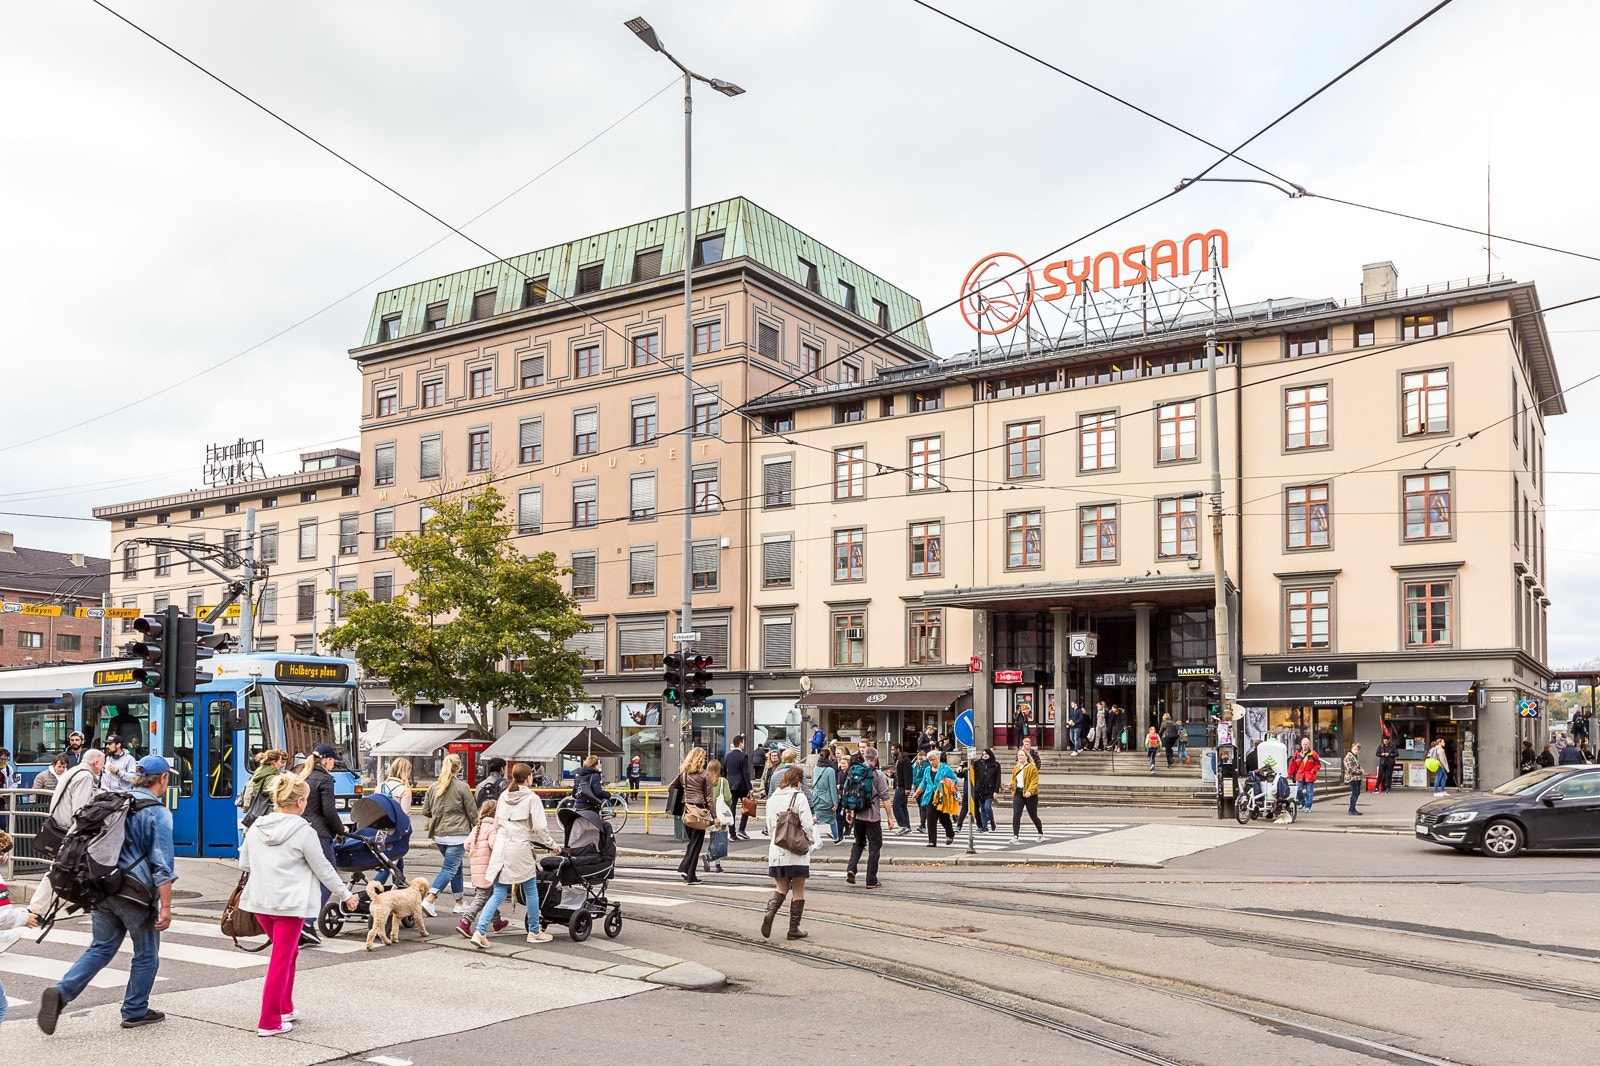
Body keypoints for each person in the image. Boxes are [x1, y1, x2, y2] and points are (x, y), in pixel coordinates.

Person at [34, 755, 176, 1035]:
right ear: (162, 779)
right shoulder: (157, 812)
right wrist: (167, 906)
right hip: (134, 894)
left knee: (100, 947)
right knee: (146, 952)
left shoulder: (115, 800)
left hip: (100, 886)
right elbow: (162, 864)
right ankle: (135, 1011)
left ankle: (61, 993)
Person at [239, 772, 358, 1037]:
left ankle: (285, 1007)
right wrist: (346, 895)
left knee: (288, 954)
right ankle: (269, 1021)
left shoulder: (257, 826)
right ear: (301, 801)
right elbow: (324, 869)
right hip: (290, 906)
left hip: (260, 903)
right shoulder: (304, 831)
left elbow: (243, 864)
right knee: (280, 961)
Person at [471, 762, 559, 948]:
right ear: (528, 778)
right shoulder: (532, 799)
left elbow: (496, 824)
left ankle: (479, 931)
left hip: (502, 846)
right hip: (520, 848)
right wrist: (552, 845)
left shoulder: (503, 796)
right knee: (531, 890)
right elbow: (541, 828)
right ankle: (534, 931)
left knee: (498, 893)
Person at [760, 766, 819, 941]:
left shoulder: (772, 800)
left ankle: (770, 913)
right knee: (798, 890)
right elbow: (807, 825)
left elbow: (770, 827)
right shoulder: (799, 797)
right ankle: (793, 929)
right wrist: (810, 840)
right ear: (798, 781)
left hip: (777, 850)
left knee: (781, 887)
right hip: (797, 851)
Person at [420, 752, 478, 918]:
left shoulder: (433, 787)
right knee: (450, 868)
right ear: (458, 768)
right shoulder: (462, 787)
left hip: (439, 835)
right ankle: (430, 899)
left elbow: (426, 811)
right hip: (458, 835)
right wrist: (477, 830)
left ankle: (459, 902)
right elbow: (472, 812)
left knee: (455, 867)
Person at [297, 745, 344, 944]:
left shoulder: (302, 775)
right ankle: (307, 923)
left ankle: (298, 922)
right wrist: (341, 830)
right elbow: (329, 811)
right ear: (326, 760)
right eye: (333, 761)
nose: (333, 765)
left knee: (307, 878)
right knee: (328, 876)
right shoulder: (324, 779)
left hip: (301, 831)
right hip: (320, 834)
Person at [457, 798, 509, 938]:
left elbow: (467, 845)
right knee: (482, 897)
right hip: (488, 869)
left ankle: (497, 922)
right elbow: (494, 845)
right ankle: (465, 922)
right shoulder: (493, 828)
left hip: (477, 869)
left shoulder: (476, 828)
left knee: (489, 896)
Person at [844, 747, 891, 889]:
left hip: (858, 814)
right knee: (875, 846)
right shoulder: (878, 775)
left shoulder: (854, 771)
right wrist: (890, 818)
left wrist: (848, 811)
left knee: (858, 843)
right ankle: (871, 880)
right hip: (873, 817)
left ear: (865, 757)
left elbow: (848, 792)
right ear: (876, 759)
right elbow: (886, 798)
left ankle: (851, 868)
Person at [675, 747, 711, 885]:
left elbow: (671, 788)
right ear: (701, 759)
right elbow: (709, 798)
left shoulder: (683, 774)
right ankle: (691, 876)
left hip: (686, 810)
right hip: (699, 811)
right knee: (696, 844)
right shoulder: (704, 775)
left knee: (692, 842)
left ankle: (685, 868)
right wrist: (714, 816)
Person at [921, 750, 957, 848]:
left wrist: (946, 782)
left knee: (943, 818)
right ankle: (932, 841)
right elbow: (923, 783)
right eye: (930, 760)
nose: (932, 762)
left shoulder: (946, 769)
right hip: (930, 797)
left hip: (942, 797)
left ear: (938, 758)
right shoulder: (927, 770)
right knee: (930, 818)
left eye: (933, 759)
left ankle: (950, 833)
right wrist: (916, 793)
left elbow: (955, 780)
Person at [703, 758, 731, 875]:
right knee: (720, 840)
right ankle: (714, 862)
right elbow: (728, 797)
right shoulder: (723, 781)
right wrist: (727, 807)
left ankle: (714, 861)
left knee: (714, 838)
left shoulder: (705, 781)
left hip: (709, 814)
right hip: (720, 815)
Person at [1010, 746, 1044, 842]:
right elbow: (1013, 779)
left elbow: (1034, 781)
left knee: (1033, 815)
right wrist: (1011, 785)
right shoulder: (1016, 768)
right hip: (1018, 792)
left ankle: (1040, 833)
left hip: (1030, 795)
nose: (1020, 757)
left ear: (1027, 757)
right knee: (1016, 814)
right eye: (1019, 755)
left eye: (1022, 755)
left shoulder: (1032, 767)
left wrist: (1030, 791)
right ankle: (1015, 836)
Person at [724, 734, 752, 840]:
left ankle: (732, 833)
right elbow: (745, 773)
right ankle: (741, 829)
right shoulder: (744, 756)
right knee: (747, 807)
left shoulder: (728, 756)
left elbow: (724, 771)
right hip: (742, 786)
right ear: (740, 744)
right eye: (743, 743)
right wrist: (750, 787)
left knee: (732, 809)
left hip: (730, 785)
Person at [810, 747, 840, 844]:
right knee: (832, 818)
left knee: (814, 818)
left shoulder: (815, 768)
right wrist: (835, 802)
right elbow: (832, 788)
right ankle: (836, 837)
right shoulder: (830, 770)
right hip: (826, 799)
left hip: (815, 797)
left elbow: (812, 782)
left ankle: (811, 837)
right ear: (829, 756)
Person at [973, 748, 1000, 832]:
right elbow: (969, 763)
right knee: (983, 809)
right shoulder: (979, 763)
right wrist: (961, 766)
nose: (984, 756)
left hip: (990, 790)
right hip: (980, 790)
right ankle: (984, 826)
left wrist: (996, 791)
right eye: (983, 754)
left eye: (986, 754)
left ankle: (992, 821)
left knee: (987, 807)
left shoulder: (996, 765)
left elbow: (998, 778)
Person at [1293, 738, 1323, 812]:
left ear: (1309, 745)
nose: (1304, 746)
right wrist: (1290, 773)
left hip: (1309, 775)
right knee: (1298, 790)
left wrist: (1313, 771)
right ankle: (1302, 802)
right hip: (1300, 775)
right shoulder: (1297, 753)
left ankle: (1308, 806)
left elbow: (1318, 764)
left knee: (1309, 792)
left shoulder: (1313, 754)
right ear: (1301, 744)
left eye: (1306, 744)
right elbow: (1293, 764)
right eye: (1303, 744)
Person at [890, 743, 914, 836]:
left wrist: (908, 788)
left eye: (893, 749)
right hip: (898, 785)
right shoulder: (898, 760)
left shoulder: (905, 760)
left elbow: (908, 775)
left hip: (902, 786)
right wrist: (892, 775)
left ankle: (903, 825)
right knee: (903, 807)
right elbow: (899, 773)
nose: (892, 751)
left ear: (898, 749)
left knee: (896, 806)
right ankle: (907, 827)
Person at [1342, 743, 1365, 816]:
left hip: (1357, 778)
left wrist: (1360, 770)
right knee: (1355, 793)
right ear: (1352, 748)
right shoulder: (1348, 757)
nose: (1356, 751)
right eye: (1355, 749)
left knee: (1357, 793)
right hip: (1352, 778)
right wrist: (1360, 772)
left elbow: (1357, 766)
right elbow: (1350, 769)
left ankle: (1353, 808)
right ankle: (1351, 809)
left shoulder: (1355, 757)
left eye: (1358, 750)